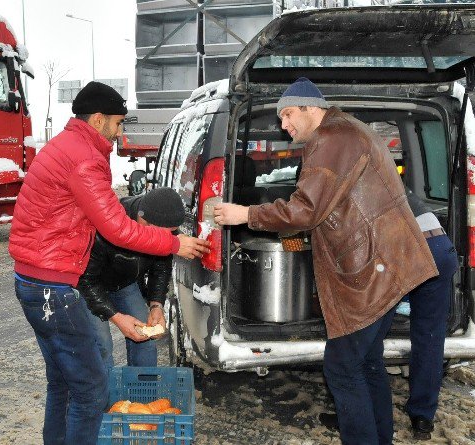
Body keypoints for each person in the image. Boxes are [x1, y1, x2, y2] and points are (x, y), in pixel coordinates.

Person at [213, 77, 438, 445]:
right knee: (365, 362)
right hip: (386, 264)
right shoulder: (348, 131)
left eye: (287, 115)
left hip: (371, 271)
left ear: (309, 107)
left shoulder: (332, 139)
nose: (283, 126)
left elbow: (306, 210)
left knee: (343, 367)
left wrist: (245, 214)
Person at [8, 81, 209, 445]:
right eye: (117, 124)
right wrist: (173, 243)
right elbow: (117, 229)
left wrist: (154, 299)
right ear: (98, 119)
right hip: (55, 285)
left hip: (35, 279)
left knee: (64, 384)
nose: (119, 134)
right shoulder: (83, 157)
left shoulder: (66, 147)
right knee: (91, 390)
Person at [78, 187, 185, 371]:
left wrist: (156, 305)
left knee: (146, 339)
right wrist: (117, 318)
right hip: (90, 286)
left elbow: (161, 267)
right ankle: (104, 397)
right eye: (166, 234)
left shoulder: (163, 223)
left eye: (173, 233)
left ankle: (141, 394)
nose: (170, 238)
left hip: (125, 284)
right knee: (101, 344)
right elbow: (86, 279)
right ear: (144, 222)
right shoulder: (107, 224)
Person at [403, 188, 458, 440]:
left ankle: (355, 414)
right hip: (439, 246)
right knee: (430, 338)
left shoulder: (347, 174)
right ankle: (422, 417)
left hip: (409, 250)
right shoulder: (383, 171)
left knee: (365, 335)